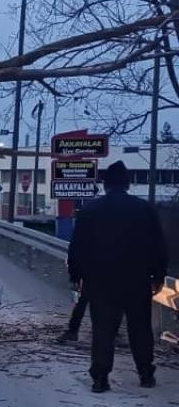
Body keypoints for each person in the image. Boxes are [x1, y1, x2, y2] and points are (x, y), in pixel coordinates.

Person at [68, 160, 168, 393]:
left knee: (103, 329)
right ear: (127, 184)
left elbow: (77, 247)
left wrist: (76, 274)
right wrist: (158, 275)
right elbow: (158, 246)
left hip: (100, 281)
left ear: (105, 184)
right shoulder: (144, 209)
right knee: (140, 329)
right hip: (136, 279)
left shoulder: (91, 210)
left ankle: (100, 378)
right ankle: (145, 374)